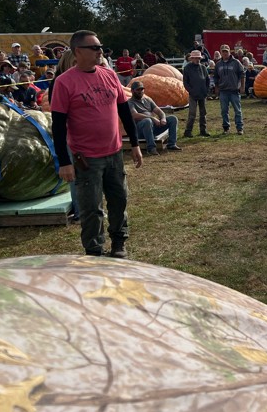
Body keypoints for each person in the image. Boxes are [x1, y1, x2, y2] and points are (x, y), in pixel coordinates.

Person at [50, 30, 143, 258]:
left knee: (119, 200)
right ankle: (94, 251)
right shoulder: (63, 83)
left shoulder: (109, 75)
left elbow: (125, 112)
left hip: (114, 152)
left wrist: (135, 144)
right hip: (86, 158)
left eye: (100, 46)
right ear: (78, 51)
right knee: (91, 207)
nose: (100, 51)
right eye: (94, 48)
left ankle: (119, 243)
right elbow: (58, 126)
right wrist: (64, 162)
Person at [128, 79, 181, 156]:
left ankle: (171, 144)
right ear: (132, 91)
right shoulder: (130, 102)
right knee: (147, 121)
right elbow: (135, 115)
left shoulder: (148, 100)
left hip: (153, 127)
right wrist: (152, 118)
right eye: (138, 90)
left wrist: (163, 118)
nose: (140, 91)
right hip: (140, 131)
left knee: (173, 119)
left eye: (142, 89)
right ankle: (151, 148)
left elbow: (159, 111)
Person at [214, 44, 245, 135]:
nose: (225, 53)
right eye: (223, 52)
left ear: (229, 52)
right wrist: (216, 88)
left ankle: (239, 128)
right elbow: (216, 77)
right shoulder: (218, 64)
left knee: (237, 110)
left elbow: (242, 74)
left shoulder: (236, 62)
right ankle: (226, 128)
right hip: (223, 91)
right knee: (224, 110)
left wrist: (242, 86)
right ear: (221, 53)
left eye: (226, 51)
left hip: (234, 90)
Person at [183, 49, 210, 137]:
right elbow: (185, 82)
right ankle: (188, 131)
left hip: (203, 93)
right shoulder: (187, 68)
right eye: (195, 58)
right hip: (193, 94)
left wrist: (206, 90)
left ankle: (203, 130)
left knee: (203, 113)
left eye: (198, 58)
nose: (197, 59)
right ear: (191, 58)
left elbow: (207, 80)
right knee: (192, 113)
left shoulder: (203, 68)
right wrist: (191, 91)